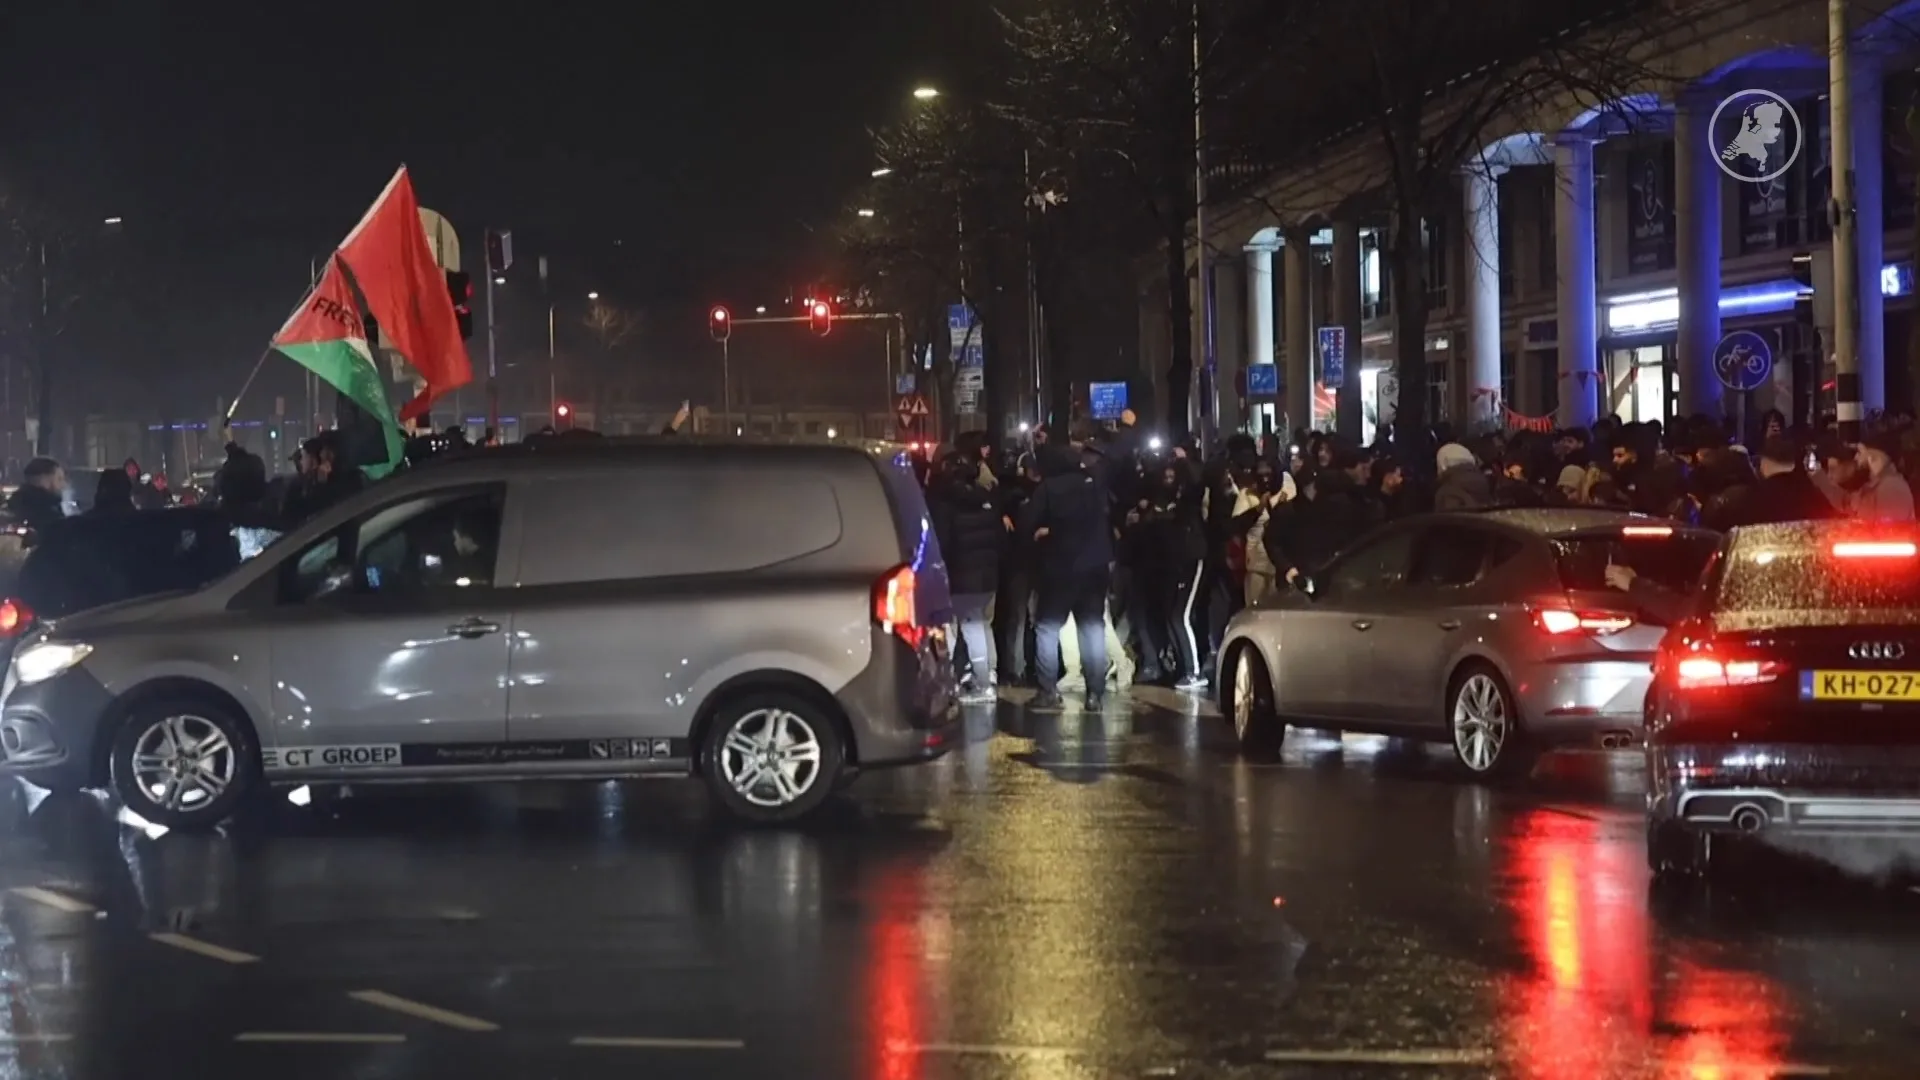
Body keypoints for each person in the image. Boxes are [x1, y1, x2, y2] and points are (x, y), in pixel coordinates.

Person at [1024, 444, 1114, 709]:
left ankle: (1047, 691)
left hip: (1061, 567)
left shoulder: (1049, 488)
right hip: (1095, 565)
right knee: (1092, 627)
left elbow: (1029, 522)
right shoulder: (1093, 483)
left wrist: (1044, 533)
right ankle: (1095, 693)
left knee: (1047, 627)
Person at [929, 451, 1007, 703]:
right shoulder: (985, 500)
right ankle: (985, 678)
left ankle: (980, 684)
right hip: (986, 576)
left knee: (965, 628)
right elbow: (997, 537)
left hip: (961, 577)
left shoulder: (946, 505)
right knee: (980, 625)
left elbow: (943, 543)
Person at [6, 457, 68, 536]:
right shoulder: (48, 514)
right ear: (44, 480)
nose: (64, 485)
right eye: (59, 479)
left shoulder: (13, 505)